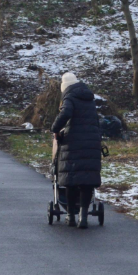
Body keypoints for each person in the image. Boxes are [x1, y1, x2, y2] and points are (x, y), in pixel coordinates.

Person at [50, 72, 102, 228]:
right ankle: (83, 216)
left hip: (73, 142)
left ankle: (71, 216)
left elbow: (66, 113)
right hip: (92, 143)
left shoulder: (69, 98)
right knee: (86, 181)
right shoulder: (89, 99)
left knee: (71, 181)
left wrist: (55, 128)